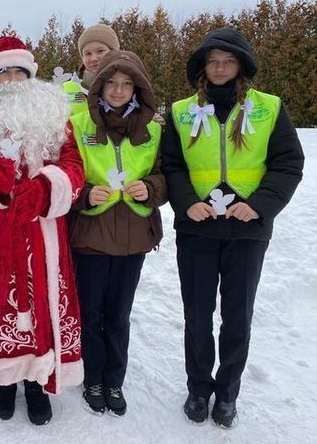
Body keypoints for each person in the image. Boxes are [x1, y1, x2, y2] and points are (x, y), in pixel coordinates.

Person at [162, 28, 304, 428]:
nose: (220, 67)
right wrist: (188, 204)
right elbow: (171, 165)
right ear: (202, 67)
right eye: (212, 61)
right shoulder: (182, 111)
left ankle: (227, 392)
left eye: (227, 61)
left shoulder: (269, 108)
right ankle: (198, 388)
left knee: (237, 316)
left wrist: (258, 207)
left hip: (247, 231)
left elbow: (288, 164)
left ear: (241, 64)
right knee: (197, 314)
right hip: (197, 230)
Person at [0, 36, 85, 426]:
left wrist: (49, 187)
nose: (12, 79)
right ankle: (5, 381)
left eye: (19, 72)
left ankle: (37, 380)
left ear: (30, 75)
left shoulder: (53, 116)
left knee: (44, 301)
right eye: (4, 73)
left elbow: (75, 163)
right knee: (2, 306)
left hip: (44, 229)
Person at [68, 50, 167, 416]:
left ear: (138, 88)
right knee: (91, 312)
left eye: (127, 84)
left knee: (119, 314)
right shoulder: (78, 124)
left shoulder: (154, 129)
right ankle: (92, 377)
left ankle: (114, 380)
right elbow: (67, 174)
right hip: (91, 234)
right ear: (99, 85)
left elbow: (166, 174)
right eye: (111, 82)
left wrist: (152, 189)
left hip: (133, 235)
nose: (119, 90)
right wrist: (82, 195)